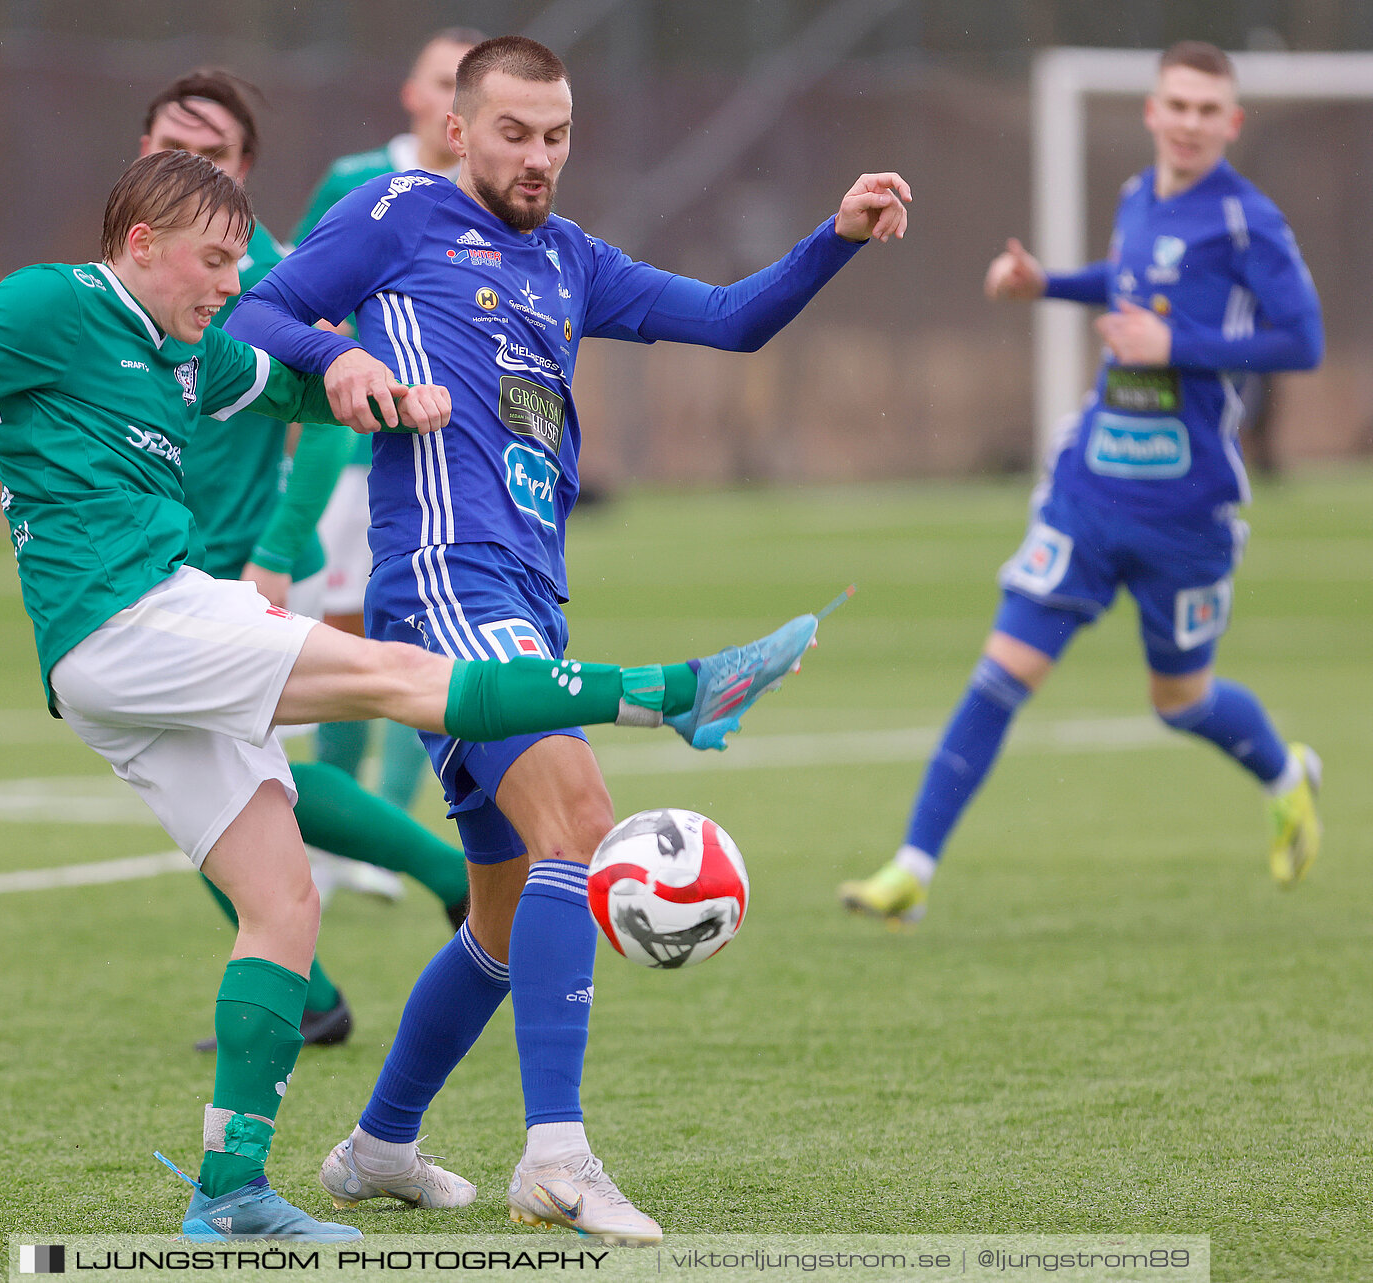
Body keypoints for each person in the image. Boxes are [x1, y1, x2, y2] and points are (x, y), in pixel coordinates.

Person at [0, 150, 825, 1243]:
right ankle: (679, 690)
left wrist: (361, 387)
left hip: (119, 663)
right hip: (131, 615)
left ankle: (231, 1189)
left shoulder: (190, 353)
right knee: (400, 677)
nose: (232, 283)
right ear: (140, 243)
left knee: (284, 900)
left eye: (241, 261)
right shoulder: (55, 301)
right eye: (214, 260)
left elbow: (288, 383)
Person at [226, 34, 909, 1243]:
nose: (537, 158)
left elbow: (734, 319)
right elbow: (260, 307)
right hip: (446, 579)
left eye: (556, 137)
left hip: (528, 597)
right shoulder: (398, 212)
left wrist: (837, 238)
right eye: (513, 133)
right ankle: (556, 1154)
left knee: (500, 909)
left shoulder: (573, 260)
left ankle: (380, 1143)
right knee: (581, 827)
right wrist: (341, 360)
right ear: (458, 128)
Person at [839, 41, 1324, 930]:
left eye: (1207, 110)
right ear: (1151, 110)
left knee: (1180, 701)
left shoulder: (1249, 223)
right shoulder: (1141, 197)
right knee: (1001, 673)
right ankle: (910, 867)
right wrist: (1047, 284)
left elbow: (1303, 342)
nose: (1188, 123)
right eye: (1175, 105)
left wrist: (1179, 350)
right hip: (1092, 492)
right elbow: (1129, 283)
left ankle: (1287, 777)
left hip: (1188, 509)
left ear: (1232, 123)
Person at [135, 68, 471, 1052]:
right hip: (150, 570)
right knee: (218, 780)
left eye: (209, 156)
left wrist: (280, 554)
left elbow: (328, 427)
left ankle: (394, 923)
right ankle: (374, 941)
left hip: (228, 569)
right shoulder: (129, 272)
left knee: (209, 785)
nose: (182, 167)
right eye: (166, 147)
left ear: (241, 172)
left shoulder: (256, 269)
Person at [290, 28, 483, 819]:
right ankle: (348, 830)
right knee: (344, 630)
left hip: (449, 452)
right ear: (413, 93)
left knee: (433, 637)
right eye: (443, 81)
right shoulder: (360, 180)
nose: (452, 100)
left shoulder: (490, 195)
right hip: (352, 451)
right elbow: (301, 298)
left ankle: (401, 816)